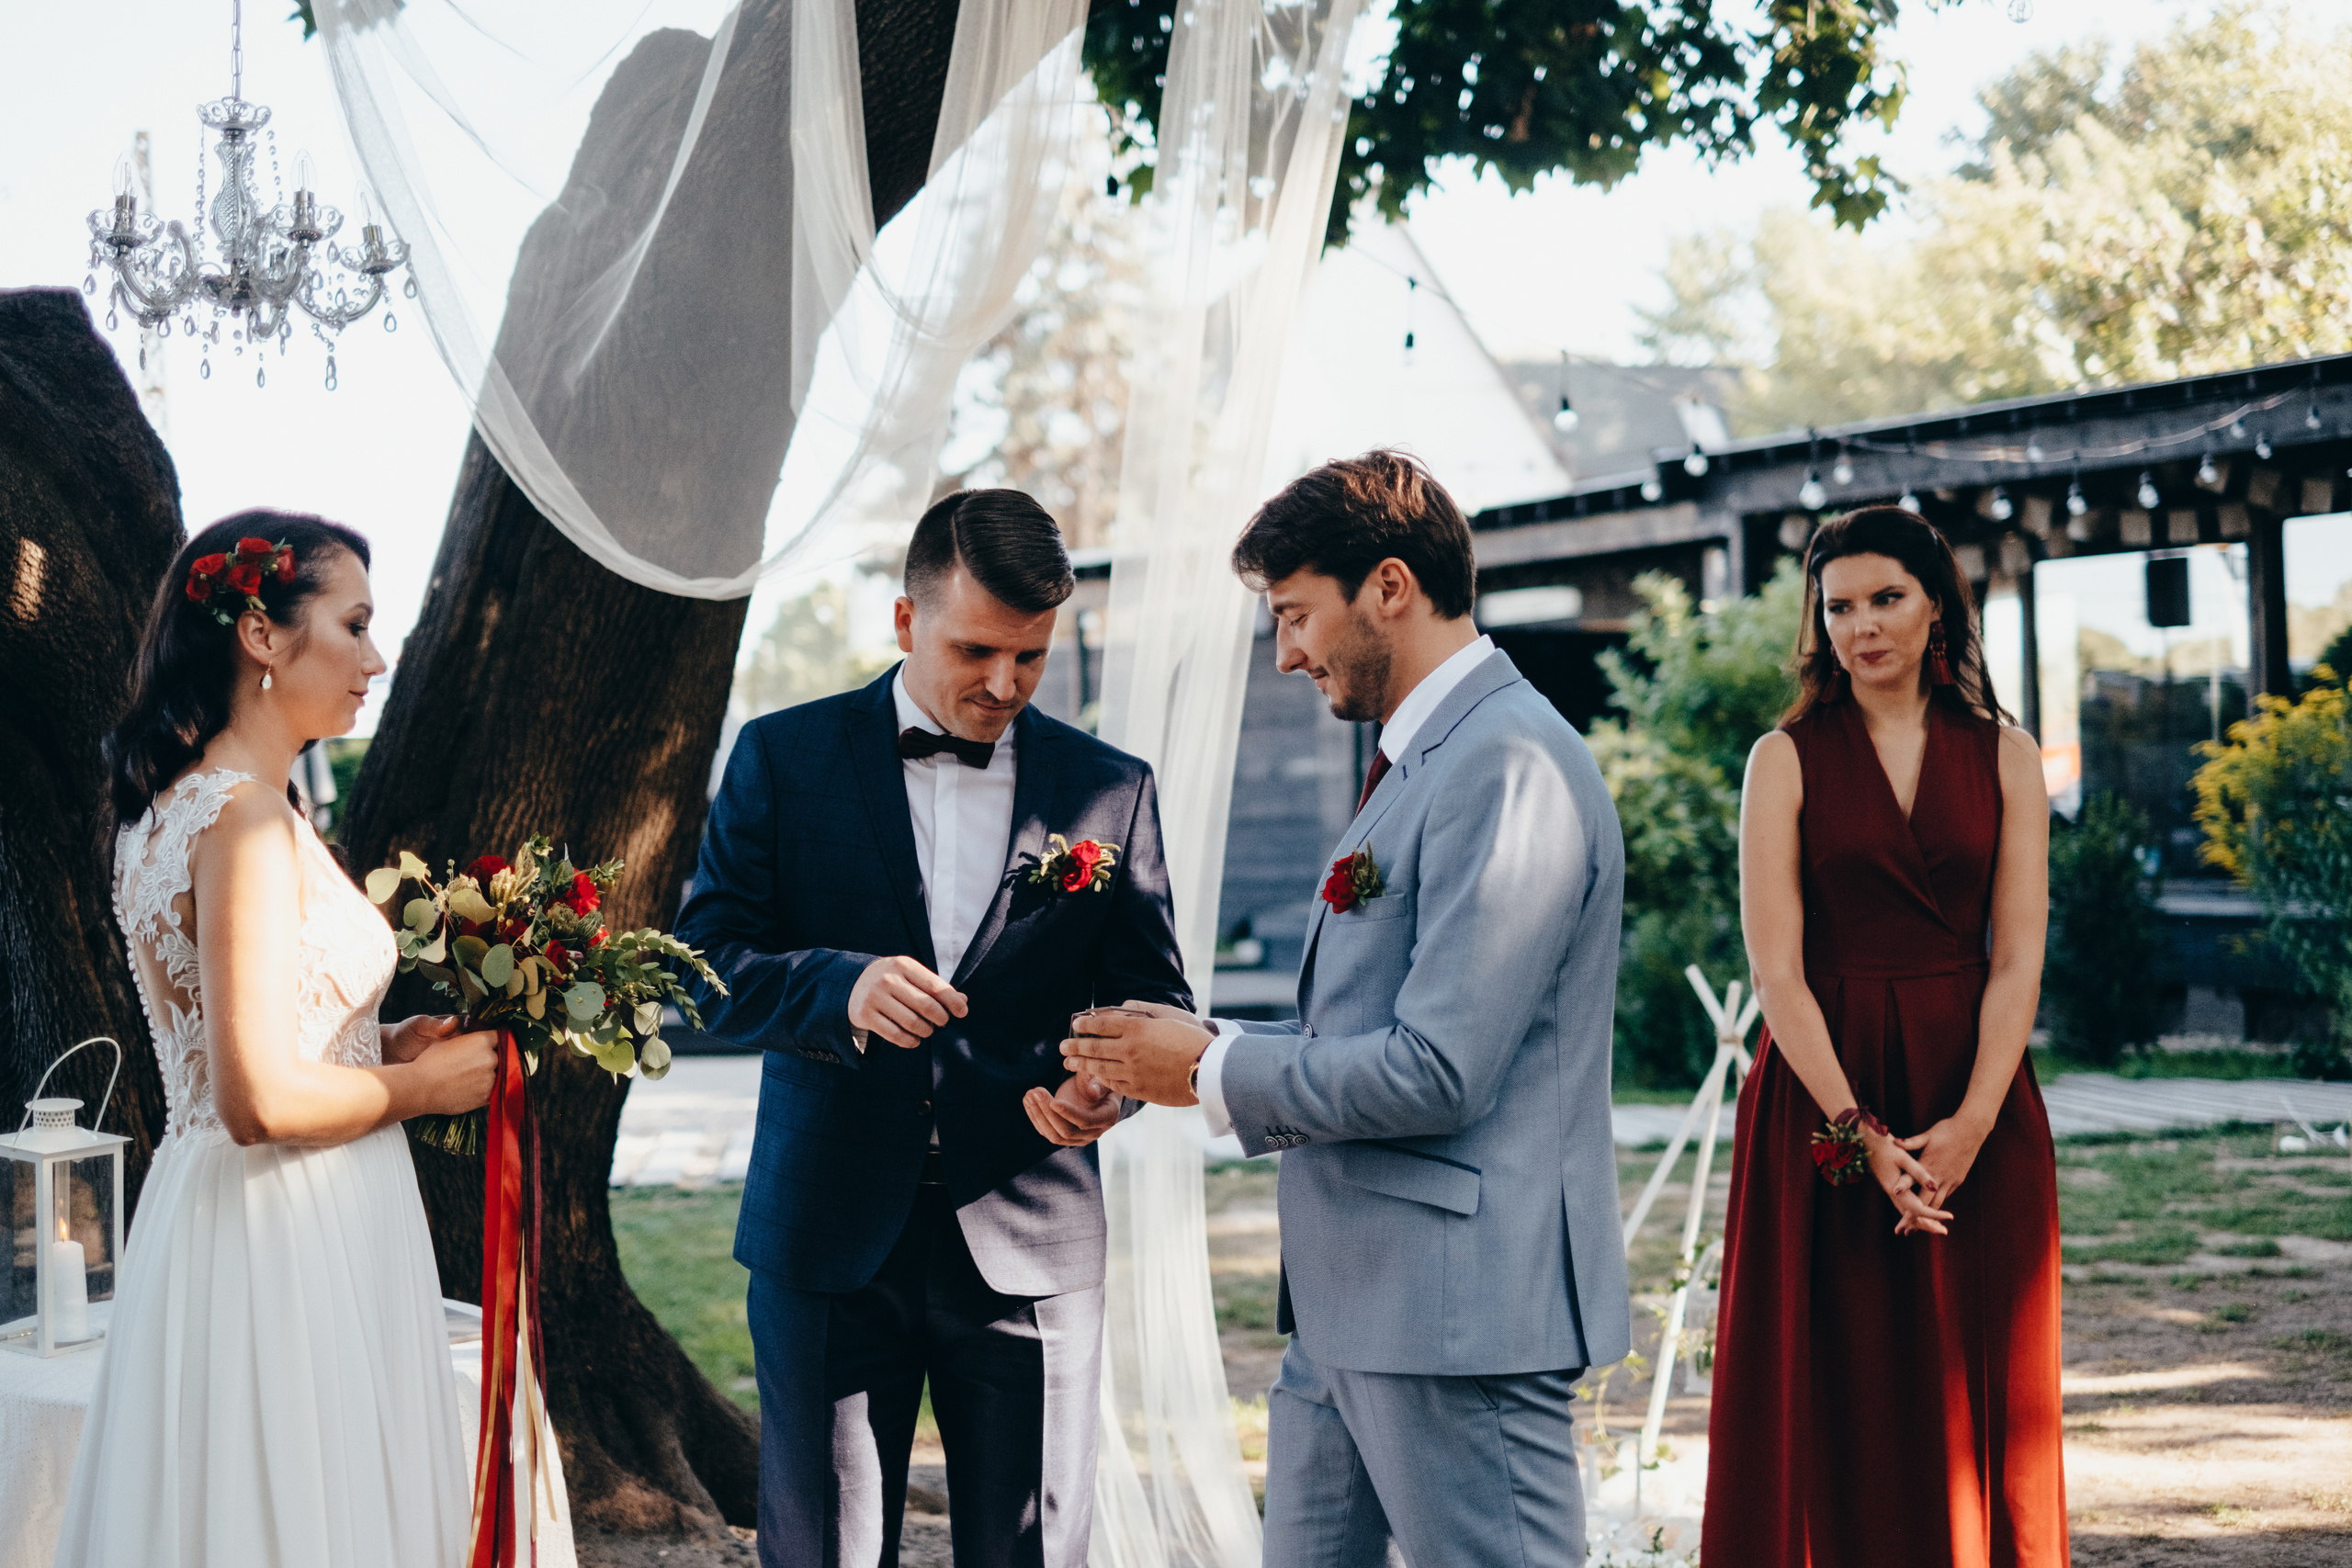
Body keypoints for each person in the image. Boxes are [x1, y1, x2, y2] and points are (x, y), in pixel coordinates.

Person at [1062, 449, 1631, 1567]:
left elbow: (1437, 1069)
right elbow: (1363, 1027)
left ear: (1388, 587)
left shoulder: (1505, 765)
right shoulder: (1421, 762)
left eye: (1293, 614)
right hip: (1347, 1311)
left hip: (1458, 1319)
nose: (1284, 654)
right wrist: (1184, 1051)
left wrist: (1212, 1074)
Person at [676, 489, 1192, 1568]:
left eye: (1032, 657)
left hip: (1033, 1240)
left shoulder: (1113, 789)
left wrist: (1110, 1086)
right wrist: (837, 988)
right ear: (906, 621)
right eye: (976, 650)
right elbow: (704, 974)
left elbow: (1157, 1006)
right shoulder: (780, 758)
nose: (1004, 684)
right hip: (827, 1238)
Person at [56, 513, 500, 1568]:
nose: (376, 659)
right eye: (352, 625)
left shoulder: (173, 812)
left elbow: (232, 1035)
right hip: (288, 1218)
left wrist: (375, 1041)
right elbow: (256, 1099)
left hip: (223, 1216)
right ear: (261, 633)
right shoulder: (246, 819)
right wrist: (424, 1089)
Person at [1702, 507, 2065, 1564]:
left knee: (1976, 1373)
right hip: (1824, 1093)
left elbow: (2017, 957)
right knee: (1837, 1376)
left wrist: (1969, 1126)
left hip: (1975, 1088)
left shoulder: (2006, 755)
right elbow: (1776, 971)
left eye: (1885, 599)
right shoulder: (1784, 758)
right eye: (1839, 606)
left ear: (1936, 604)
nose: (1861, 626)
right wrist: (1861, 1131)